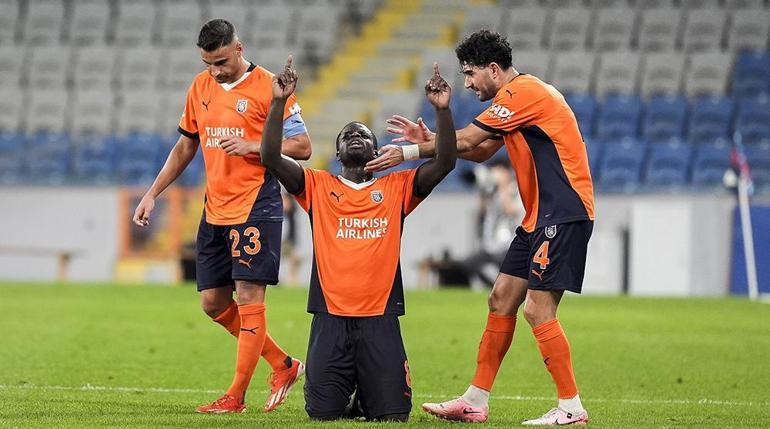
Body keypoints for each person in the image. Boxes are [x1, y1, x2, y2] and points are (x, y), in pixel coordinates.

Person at [366, 30, 595, 426]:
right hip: (538, 218)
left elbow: (471, 138)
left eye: (471, 74)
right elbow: (484, 148)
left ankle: (571, 407)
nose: (468, 83)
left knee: (538, 310)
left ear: (493, 69)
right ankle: (475, 399)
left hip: (563, 213)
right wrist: (433, 139)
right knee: (501, 298)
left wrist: (408, 151)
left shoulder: (522, 93)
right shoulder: (516, 100)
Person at [260, 56, 457, 421]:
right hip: (329, 317)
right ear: (337, 154)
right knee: (322, 413)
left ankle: (369, 393)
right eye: (347, 135)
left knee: (394, 415)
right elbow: (270, 156)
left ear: (376, 150)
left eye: (363, 135)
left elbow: (445, 162)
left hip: (380, 317)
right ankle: (350, 393)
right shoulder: (317, 186)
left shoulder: (397, 187)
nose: (355, 137)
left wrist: (443, 112)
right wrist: (278, 102)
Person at [131, 19, 310, 414]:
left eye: (222, 62)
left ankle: (236, 396)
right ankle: (283, 365)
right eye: (208, 63)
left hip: (256, 205)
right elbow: (184, 148)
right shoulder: (200, 87)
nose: (215, 71)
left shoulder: (269, 87)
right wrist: (152, 193)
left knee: (249, 298)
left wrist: (252, 144)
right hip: (215, 209)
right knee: (213, 303)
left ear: (239, 48)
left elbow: (302, 146)